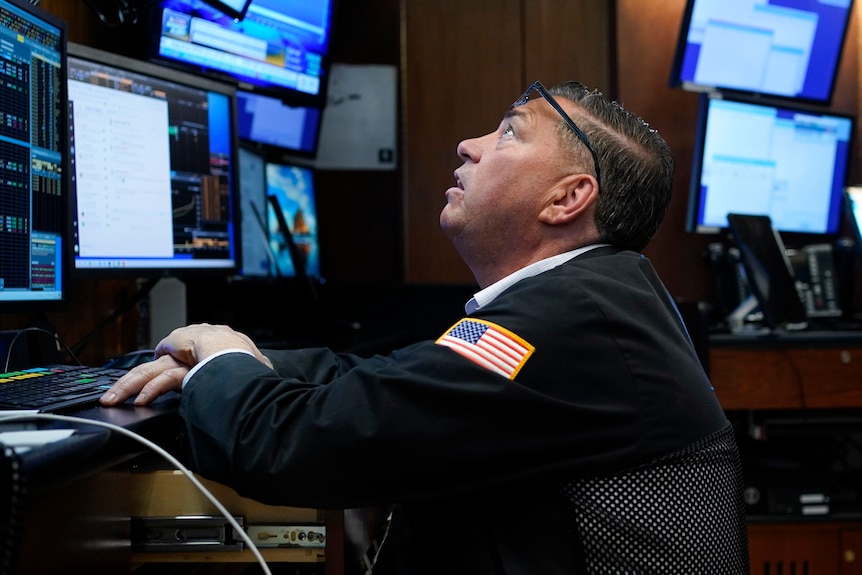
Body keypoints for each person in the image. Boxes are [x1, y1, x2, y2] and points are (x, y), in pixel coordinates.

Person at [100, 81, 749, 574]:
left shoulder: (566, 326)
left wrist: (220, 356)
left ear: (567, 198)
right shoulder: (590, 299)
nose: (469, 145)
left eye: (510, 134)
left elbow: (295, 446)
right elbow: (390, 384)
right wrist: (235, 357)